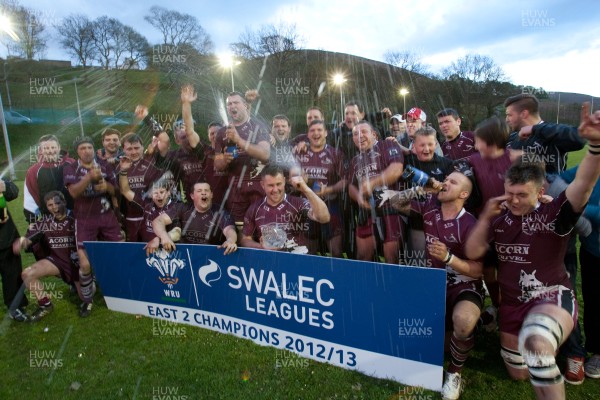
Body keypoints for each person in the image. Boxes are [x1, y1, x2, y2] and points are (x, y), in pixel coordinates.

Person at [464, 102, 600, 400]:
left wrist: (595, 147)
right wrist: (486, 215)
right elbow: (473, 252)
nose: (513, 200)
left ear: (540, 192)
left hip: (550, 296)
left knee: (537, 345)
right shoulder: (499, 218)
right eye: (509, 193)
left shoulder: (555, 213)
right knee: (520, 372)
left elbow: (584, 186)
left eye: (521, 195)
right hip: (512, 306)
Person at [382, 171, 484, 400]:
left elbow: (478, 270)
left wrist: (450, 258)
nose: (446, 182)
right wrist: (420, 189)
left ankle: (454, 373)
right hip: (432, 284)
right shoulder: (430, 208)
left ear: (464, 194)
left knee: (464, 321)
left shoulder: (470, 223)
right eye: (445, 179)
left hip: (463, 285)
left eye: (453, 182)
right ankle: (458, 337)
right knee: (402, 324)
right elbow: (395, 201)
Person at [63, 136, 124, 317]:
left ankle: (122, 293)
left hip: (106, 216)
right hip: (84, 219)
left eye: (89, 147)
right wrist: (89, 177)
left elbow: (116, 191)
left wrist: (107, 187)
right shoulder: (70, 167)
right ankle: (87, 301)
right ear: (77, 152)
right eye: (83, 148)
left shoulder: (104, 165)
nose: (87, 151)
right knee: (85, 263)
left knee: (119, 254)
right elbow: (73, 192)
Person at [15, 191, 83, 321]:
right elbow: (30, 237)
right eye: (50, 205)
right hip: (56, 262)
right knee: (27, 274)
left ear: (64, 202)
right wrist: (22, 242)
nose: (55, 207)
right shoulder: (46, 222)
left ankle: (87, 281)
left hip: (77, 264)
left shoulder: (76, 218)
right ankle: (45, 305)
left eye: (57, 203)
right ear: (46, 207)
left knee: (86, 297)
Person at [561, 165, 600, 380]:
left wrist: (580, 208)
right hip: (592, 248)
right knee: (592, 298)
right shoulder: (591, 164)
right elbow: (559, 180)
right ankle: (590, 348)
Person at [348, 121, 404, 264]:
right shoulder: (355, 160)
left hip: (390, 210)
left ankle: (390, 286)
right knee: (362, 258)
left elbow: (396, 170)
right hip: (366, 213)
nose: (359, 136)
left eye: (363, 132)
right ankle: (365, 286)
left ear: (374, 134)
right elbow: (351, 187)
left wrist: (373, 183)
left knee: (391, 259)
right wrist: (359, 197)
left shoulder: (387, 145)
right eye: (355, 134)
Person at [214, 91, 271, 230]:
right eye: (229, 104)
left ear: (245, 105)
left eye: (236, 103)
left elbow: (265, 154)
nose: (232, 106)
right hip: (235, 190)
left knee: (261, 229)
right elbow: (217, 165)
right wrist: (225, 160)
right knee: (239, 232)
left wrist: (239, 140)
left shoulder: (258, 126)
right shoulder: (222, 132)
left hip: (258, 186)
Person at [240, 165, 330, 253]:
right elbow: (245, 239)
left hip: (298, 260)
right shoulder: (255, 208)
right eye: (270, 185)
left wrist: (305, 189)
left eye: (278, 184)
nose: (275, 190)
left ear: (284, 181)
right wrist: (261, 247)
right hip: (270, 262)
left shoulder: (298, 203)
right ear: (262, 185)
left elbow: (324, 218)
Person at [294, 119, 346, 257]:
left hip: (330, 204)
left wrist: (328, 190)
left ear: (326, 133)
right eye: (312, 131)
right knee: (308, 251)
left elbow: (345, 181)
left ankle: (337, 277)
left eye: (319, 130)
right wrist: (300, 181)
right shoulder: (300, 152)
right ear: (308, 134)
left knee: (336, 252)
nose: (316, 133)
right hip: (306, 206)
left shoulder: (335, 153)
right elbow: (291, 178)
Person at [147, 182, 237, 256]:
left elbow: (229, 229)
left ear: (211, 195)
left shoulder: (219, 211)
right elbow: (158, 221)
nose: (203, 193)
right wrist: (164, 237)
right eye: (199, 191)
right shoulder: (182, 208)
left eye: (206, 190)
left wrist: (230, 240)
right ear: (192, 196)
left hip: (210, 257)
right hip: (185, 255)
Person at [403, 126, 454, 255]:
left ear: (436, 144)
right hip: (415, 224)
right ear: (414, 145)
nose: (426, 149)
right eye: (422, 145)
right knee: (418, 264)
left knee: (439, 265)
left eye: (430, 144)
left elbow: (454, 192)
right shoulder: (407, 162)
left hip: (440, 224)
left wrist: (441, 188)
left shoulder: (447, 164)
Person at [504, 93, 585, 174]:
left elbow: (579, 138)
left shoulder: (551, 132)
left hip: (549, 186)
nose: (506, 119)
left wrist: (534, 129)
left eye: (509, 115)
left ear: (523, 114)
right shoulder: (512, 137)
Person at [117, 133, 167, 241]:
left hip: (151, 216)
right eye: (129, 149)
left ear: (142, 147)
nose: (134, 152)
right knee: (133, 252)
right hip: (130, 217)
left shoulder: (152, 163)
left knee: (152, 251)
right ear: (123, 150)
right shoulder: (119, 167)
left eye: (136, 148)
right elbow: (119, 193)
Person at [24, 134, 75, 223]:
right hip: (49, 220)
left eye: (53, 147)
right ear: (41, 150)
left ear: (59, 147)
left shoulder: (72, 164)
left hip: (74, 216)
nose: (50, 151)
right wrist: (32, 221)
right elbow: (30, 198)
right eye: (46, 148)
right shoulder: (33, 171)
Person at [1, 178, 29, 321]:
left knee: (12, 275)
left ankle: (16, 306)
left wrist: (5, 186)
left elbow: (14, 192)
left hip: (6, 239)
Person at [202, 121, 229, 206]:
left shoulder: (229, 150)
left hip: (231, 199)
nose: (215, 136)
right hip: (212, 201)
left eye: (217, 132)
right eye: (212, 133)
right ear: (208, 136)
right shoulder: (205, 152)